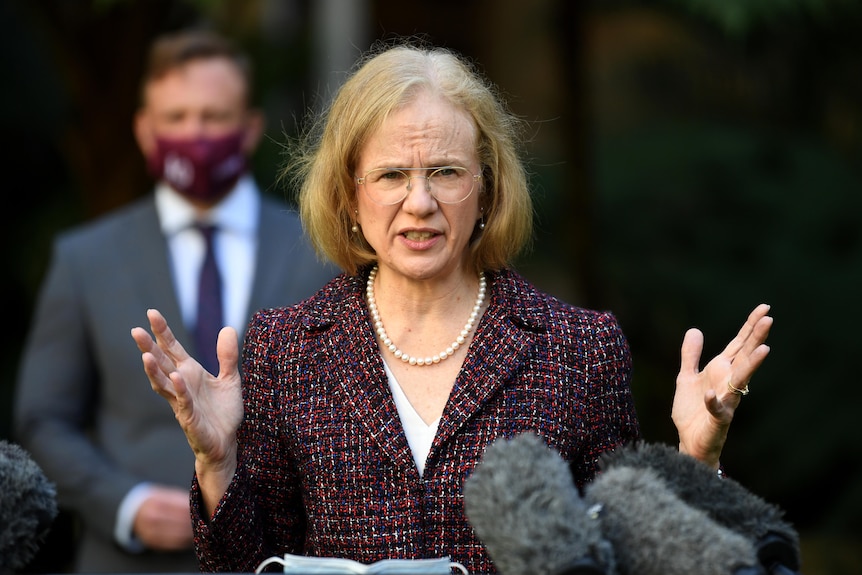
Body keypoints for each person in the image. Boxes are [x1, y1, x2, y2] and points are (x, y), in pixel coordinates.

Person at [131, 40, 773, 574]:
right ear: (348, 197)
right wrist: (217, 465)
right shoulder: (284, 348)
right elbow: (246, 566)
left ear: (487, 189)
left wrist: (698, 459)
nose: (419, 202)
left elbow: (629, 550)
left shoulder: (578, 347)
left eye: (445, 171)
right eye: (391, 176)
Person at [14, 28, 334, 573]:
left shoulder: (321, 252)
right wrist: (124, 504)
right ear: (144, 130)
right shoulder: (84, 259)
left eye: (214, 117)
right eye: (177, 118)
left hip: (281, 557)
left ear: (251, 129)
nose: (195, 134)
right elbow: (43, 419)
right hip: (127, 560)